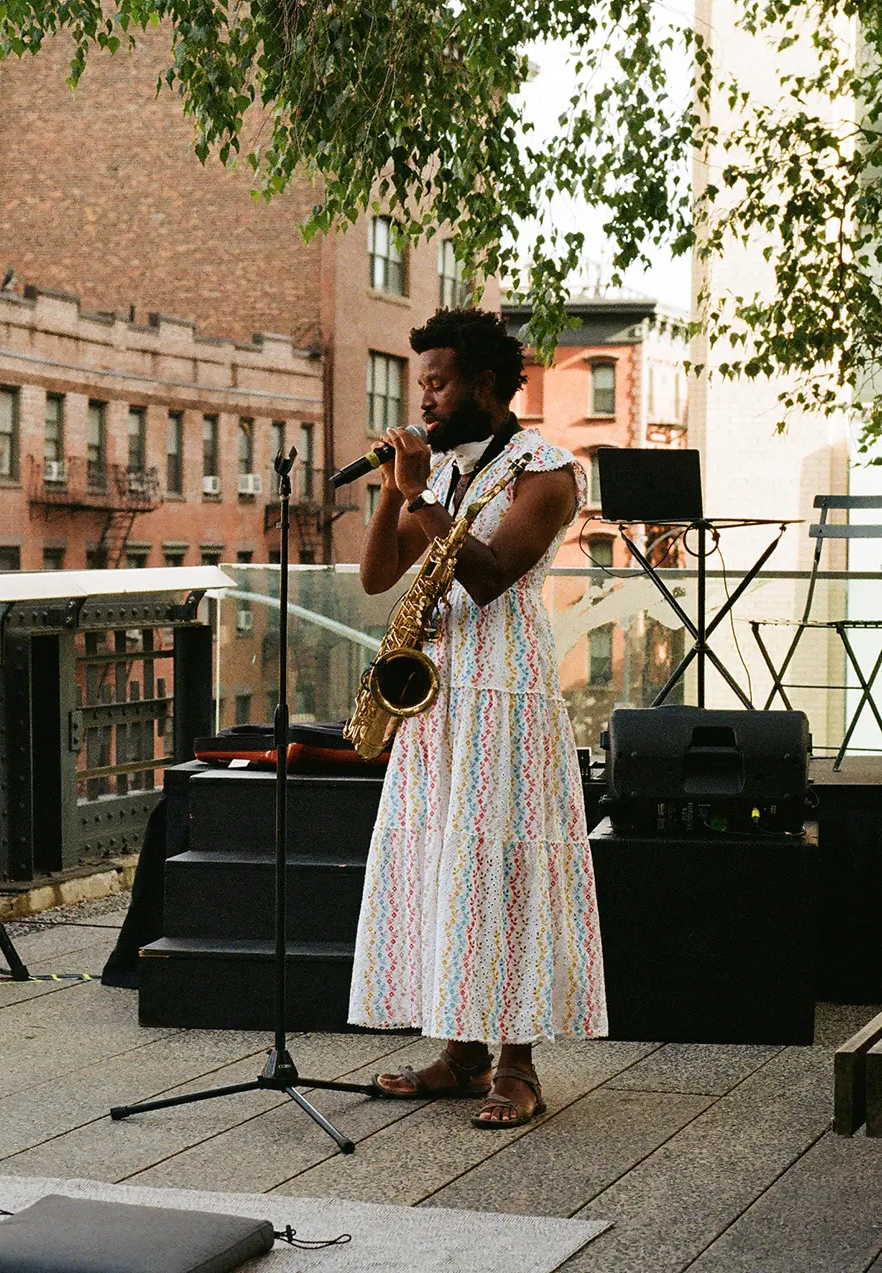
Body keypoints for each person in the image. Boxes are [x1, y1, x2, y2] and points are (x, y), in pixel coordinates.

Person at [347, 307, 607, 1129]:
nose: (423, 398)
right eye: (420, 384)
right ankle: (462, 1053)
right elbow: (376, 575)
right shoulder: (449, 475)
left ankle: (518, 1063)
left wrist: (420, 493)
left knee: (507, 868)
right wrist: (395, 495)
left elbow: (490, 576)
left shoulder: (548, 472)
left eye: (438, 382)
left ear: (486, 385)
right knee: (446, 865)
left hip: (508, 696)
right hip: (441, 700)